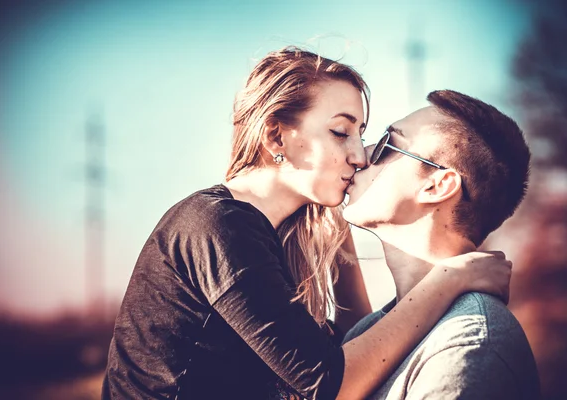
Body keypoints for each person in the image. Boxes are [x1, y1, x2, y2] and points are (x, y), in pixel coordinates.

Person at [102, 48, 512, 400]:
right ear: (276, 138)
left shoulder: (280, 232)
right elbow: (328, 383)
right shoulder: (218, 225)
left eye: (364, 135)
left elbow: (356, 344)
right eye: (340, 132)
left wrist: (340, 228)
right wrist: (448, 279)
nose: (362, 156)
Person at [343, 89, 541, 399]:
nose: (361, 155)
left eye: (387, 144)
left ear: (437, 185)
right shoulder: (367, 334)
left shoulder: (469, 343)